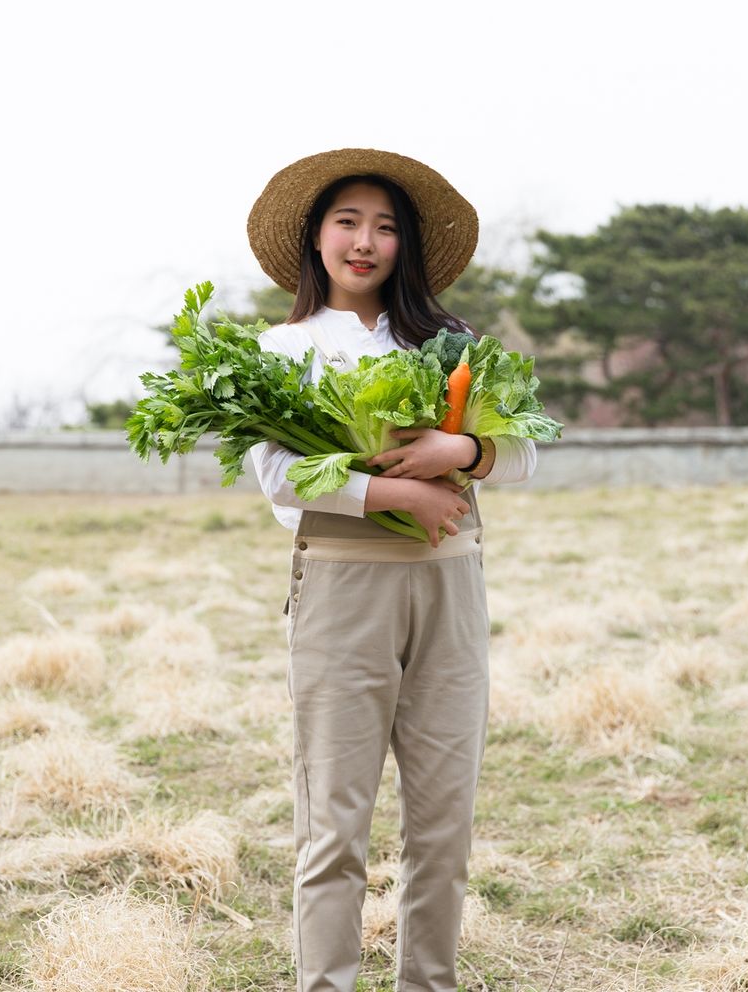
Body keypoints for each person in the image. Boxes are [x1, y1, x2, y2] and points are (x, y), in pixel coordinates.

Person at [246, 148, 537, 992]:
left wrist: (467, 448)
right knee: (333, 824)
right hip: (341, 587)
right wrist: (394, 497)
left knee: (444, 823)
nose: (365, 241)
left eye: (385, 227)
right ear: (315, 238)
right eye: (347, 222)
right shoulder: (284, 348)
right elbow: (279, 479)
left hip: (452, 587)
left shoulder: (452, 344)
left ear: (406, 244)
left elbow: (526, 453)